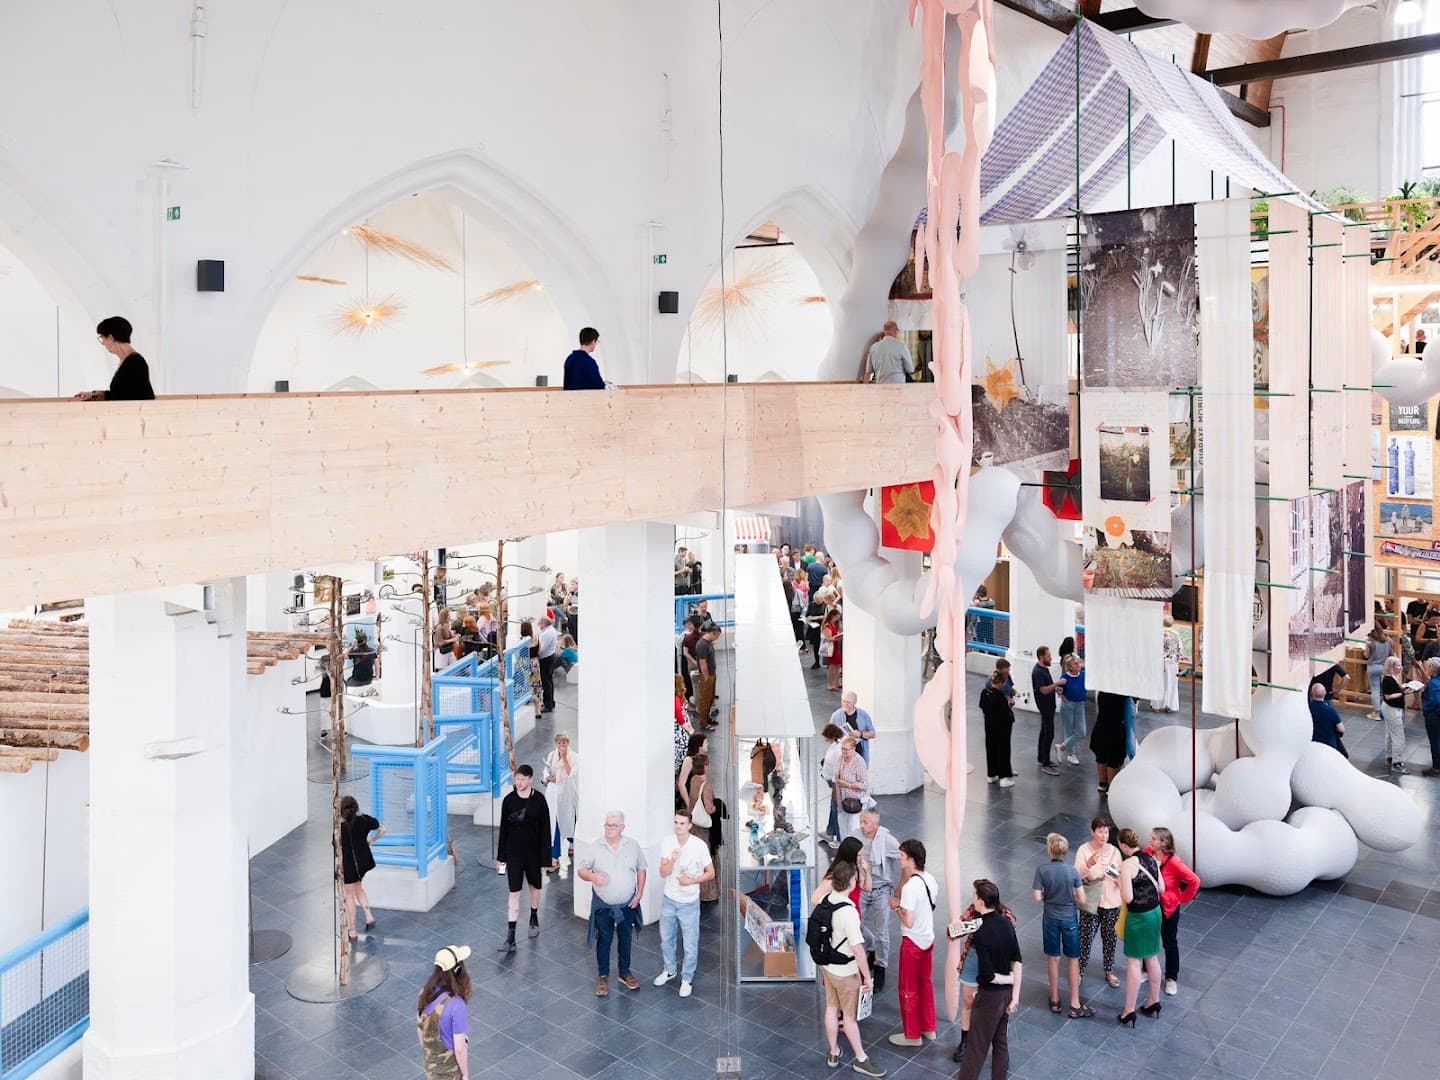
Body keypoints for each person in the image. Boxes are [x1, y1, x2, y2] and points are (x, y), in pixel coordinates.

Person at [815, 859, 886, 1076]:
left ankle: (834, 1052)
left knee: (831, 1007)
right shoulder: (849, 912)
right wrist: (867, 977)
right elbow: (858, 949)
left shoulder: (826, 899)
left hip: (827, 966)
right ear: (851, 882)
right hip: (846, 972)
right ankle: (861, 1059)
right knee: (849, 1017)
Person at [956, 879, 1023, 1080]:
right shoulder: (1007, 923)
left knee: (976, 1048)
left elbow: (988, 976)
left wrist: (1008, 979)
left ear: (981, 901)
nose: (972, 898)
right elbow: (1017, 960)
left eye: (974, 895)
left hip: (989, 998)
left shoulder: (981, 933)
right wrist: (1015, 996)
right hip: (1006, 997)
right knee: (1000, 1044)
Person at [577, 810, 647, 996]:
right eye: (607, 825)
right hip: (603, 905)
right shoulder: (595, 846)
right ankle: (603, 976)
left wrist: (639, 893)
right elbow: (581, 870)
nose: (609, 829)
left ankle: (624, 972)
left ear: (622, 827)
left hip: (628, 904)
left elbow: (641, 869)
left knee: (625, 938)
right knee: (604, 939)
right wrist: (593, 877)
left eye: (613, 826)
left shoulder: (633, 845)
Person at [654, 808, 714, 998]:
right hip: (669, 899)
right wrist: (672, 859)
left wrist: (691, 881)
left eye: (682, 823)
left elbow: (711, 873)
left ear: (689, 825)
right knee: (666, 939)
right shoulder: (667, 842)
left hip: (689, 903)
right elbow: (663, 873)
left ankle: (687, 978)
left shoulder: (699, 846)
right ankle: (669, 970)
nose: (678, 827)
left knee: (690, 944)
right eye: (676, 822)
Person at [1031, 833, 1091, 1018]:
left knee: (1053, 957)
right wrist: (1070, 897)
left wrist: (1048, 895)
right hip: (1069, 918)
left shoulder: (1042, 870)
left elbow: (1036, 897)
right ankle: (1074, 1003)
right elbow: (1083, 899)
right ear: (1065, 851)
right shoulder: (1072, 871)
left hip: (1050, 917)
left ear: (1049, 850)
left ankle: (1055, 999)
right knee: (1073, 958)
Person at [886, 839, 938, 1046]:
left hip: (912, 942)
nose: (899, 859)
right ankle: (929, 1027)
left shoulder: (910, 888)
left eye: (902, 856)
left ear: (911, 859)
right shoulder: (930, 880)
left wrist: (896, 907)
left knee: (908, 988)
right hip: (928, 939)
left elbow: (908, 921)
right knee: (925, 984)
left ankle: (912, 1035)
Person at [495, 765, 551, 952]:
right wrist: (501, 857)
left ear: (530, 779)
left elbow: (545, 830)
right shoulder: (509, 801)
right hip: (514, 854)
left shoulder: (539, 800)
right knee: (514, 892)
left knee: (534, 887)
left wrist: (545, 860)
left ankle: (533, 915)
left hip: (534, 854)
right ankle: (510, 937)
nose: (519, 782)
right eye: (517, 779)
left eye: (522, 779)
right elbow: (503, 830)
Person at [1115, 827, 1165, 1026]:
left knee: (1134, 962)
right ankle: (1154, 1000)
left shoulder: (1128, 865)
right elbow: (1162, 888)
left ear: (1123, 845)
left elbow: (1128, 897)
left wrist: (1119, 881)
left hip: (1138, 917)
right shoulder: (1151, 858)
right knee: (1152, 957)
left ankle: (1128, 1011)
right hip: (1156, 913)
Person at [1146, 826, 1200, 997]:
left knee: (1169, 942)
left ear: (1163, 843)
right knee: (1148, 938)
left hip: (1168, 908)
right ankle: (1146, 970)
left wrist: (1182, 899)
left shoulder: (1174, 862)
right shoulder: (1147, 853)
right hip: (1150, 905)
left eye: (1154, 838)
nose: (1150, 841)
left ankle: (1171, 977)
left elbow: (1194, 881)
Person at [1074, 816, 1122, 989]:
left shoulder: (1114, 852)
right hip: (1092, 903)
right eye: (1100, 832)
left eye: (1106, 832)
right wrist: (1089, 864)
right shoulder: (1084, 850)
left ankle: (1109, 970)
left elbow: (1121, 877)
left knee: (1110, 938)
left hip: (1112, 903)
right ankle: (1078, 971)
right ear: (1092, 832)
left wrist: (1115, 875)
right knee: (1085, 938)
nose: (1103, 835)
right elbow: (1077, 875)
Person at [857, 809, 901, 994]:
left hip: (881, 890)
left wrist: (899, 888)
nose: (861, 825)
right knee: (855, 925)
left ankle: (880, 966)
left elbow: (904, 859)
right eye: (861, 821)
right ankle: (871, 948)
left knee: (881, 931)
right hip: (861, 887)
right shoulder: (855, 836)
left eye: (865, 822)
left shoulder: (887, 841)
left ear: (875, 825)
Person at [417, 945, 472, 1080]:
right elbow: (459, 1049)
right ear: (458, 970)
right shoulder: (456, 1005)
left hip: (431, 1067)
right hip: (450, 1072)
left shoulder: (425, 993)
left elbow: (420, 1030)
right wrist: (465, 1075)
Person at [76, 316, 155, 401]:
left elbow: (127, 397)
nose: (103, 343)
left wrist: (95, 395)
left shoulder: (135, 363)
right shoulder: (129, 361)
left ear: (110, 338)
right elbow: (120, 394)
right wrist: (93, 394)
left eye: (102, 338)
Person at [338, 795, 384, 939]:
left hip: (349, 865)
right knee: (359, 888)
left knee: (349, 895)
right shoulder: (364, 820)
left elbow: (336, 847)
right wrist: (371, 840)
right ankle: (368, 914)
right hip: (363, 862)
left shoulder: (340, 829)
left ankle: (352, 930)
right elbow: (382, 829)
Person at [683, 753, 722, 903]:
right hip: (704, 828)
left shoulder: (693, 780)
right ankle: (708, 893)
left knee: (696, 859)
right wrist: (718, 806)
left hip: (694, 826)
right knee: (706, 858)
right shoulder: (706, 785)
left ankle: (695, 891)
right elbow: (709, 808)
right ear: (705, 766)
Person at [542, 733, 579, 868]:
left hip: (567, 795)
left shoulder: (574, 757)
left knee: (569, 820)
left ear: (568, 743)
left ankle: (573, 842)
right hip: (552, 794)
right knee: (554, 823)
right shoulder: (552, 755)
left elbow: (571, 773)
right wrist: (548, 778)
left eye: (564, 743)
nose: (561, 746)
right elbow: (546, 771)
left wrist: (564, 758)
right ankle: (554, 857)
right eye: (558, 743)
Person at [979, 671, 1016, 787]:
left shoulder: (985, 693)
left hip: (989, 727)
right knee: (1003, 751)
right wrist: (1010, 706)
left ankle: (991, 775)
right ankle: (1004, 777)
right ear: (1000, 683)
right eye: (1003, 683)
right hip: (1002, 729)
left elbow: (983, 710)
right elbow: (1005, 713)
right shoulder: (1000, 696)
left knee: (991, 749)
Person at [1090, 691, 1129, 795]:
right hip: (1115, 730)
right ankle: (1111, 788)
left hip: (1100, 727)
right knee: (1113, 759)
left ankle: (1102, 784)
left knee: (1101, 756)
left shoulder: (1102, 692)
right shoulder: (1122, 695)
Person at [833, 737, 870, 839]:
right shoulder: (841, 758)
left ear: (853, 748)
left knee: (853, 829)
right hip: (842, 799)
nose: (843, 751)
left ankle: (854, 848)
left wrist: (847, 785)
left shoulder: (859, 762)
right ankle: (844, 846)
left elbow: (864, 784)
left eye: (846, 749)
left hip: (854, 802)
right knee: (842, 827)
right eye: (842, 748)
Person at [1032, 646, 1061, 775]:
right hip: (1045, 706)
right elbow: (1043, 690)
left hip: (1049, 705)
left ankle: (1042, 758)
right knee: (1049, 733)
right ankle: (1046, 763)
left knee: (1044, 731)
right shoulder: (1038, 672)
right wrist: (1057, 684)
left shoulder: (1044, 669)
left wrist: (1055, 688)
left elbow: (1047, 686)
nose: (1051, 658)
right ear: (1041, 657)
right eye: (1048, 656)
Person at [863, 319, 915, 385]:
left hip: (880, 386)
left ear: (884, 331)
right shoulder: (902, 346)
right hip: (898, 386)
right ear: (896, 331)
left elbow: (868, 371)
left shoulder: (873, 347)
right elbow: (910, 369)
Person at [832, 691, 877, 765]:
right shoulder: (836, 715)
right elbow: (830, 736)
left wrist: (860, 734)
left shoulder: (863, 715)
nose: (845, 704)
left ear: (854, 703)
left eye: (848, 702)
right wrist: (839, 738)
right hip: (842, 755)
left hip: (859, 754)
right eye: (843, 701)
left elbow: (873, 734)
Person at [1057, 654, 1087, 766]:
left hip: (1080, 704)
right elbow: (1058, 690)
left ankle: (1062, 747)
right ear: (1070, 667)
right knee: (1068, 730)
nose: (1078, 664)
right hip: (1068, 705)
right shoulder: (1065, 677)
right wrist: (1064, 699)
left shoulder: (1083, 674)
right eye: (1075, 663)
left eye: (1078, 662)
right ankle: (1071, 754)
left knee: (1082, 732)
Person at [820, 722, 846, 844]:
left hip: (836, 783)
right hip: (832, 780)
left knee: (835, 808)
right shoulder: (835, 745)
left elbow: (837, 772)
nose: (825, 740)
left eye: (827, 737)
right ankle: (830, 832)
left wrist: (835, 791)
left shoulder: (838, 751)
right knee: (833, 808)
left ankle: (839, 838)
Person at [1151, 616, 1182, 712]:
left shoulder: (1158, 633)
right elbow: (1180, 649)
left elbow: (1153, 647)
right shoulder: (1176, 635)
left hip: (1159, 661)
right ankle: (1170, 705)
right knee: (1171, 683)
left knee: (1158, 683)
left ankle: (1156, 706)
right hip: (1172, 662)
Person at [1308, 682, 1348, 757]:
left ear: (1311, 694)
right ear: (1325, 693)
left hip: (1311, 743)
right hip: (1328, 745)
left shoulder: (1307, 709)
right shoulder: (1330, 710)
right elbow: (1341, 729)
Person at [694, 624, 721, 725]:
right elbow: (702, 663)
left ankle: (707, 718)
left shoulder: (708, 642)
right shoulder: (702, 645)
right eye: (717, 636)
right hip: (707, 676)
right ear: (712, 633)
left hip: (711, 674)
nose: (717, 638)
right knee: (705, 699)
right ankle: (703, 722)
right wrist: (706, 677)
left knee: (710, 698)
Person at [1366, 623, 1393, 719]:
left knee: (1375, 690)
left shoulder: (1370, 641)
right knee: (1385, 690)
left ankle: (1376, 713)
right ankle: (1386, 711)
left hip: (1373, 667)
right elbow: (1391, 653)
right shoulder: (1388, 640)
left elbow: (1366, 655)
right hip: (1385, 667)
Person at [676, 732, 707, 810]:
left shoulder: (702, 759)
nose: (708, 744)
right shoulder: (689, 760)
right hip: (688, 798)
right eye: (705, 743)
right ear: (699, 746)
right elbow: (681, 784)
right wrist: (688, 804)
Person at [1422, 656, 1440, 778]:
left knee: (1435, 742)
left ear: (1432, 670)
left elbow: (1436, 701)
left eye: (1427, 667)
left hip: (1434, 716)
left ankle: (1437, 768)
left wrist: (1426, 709)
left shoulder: (1433, 683)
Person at [536, 616, 558, 714]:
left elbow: (541, 649)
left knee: (546, 682)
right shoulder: (552, 630)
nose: (538, 625)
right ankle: (550, 702)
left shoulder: (546, 634)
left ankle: (548, 705)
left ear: (544, 623)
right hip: (550, 657)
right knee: (549, 681)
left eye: (539, 623)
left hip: (546, 659)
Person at [519, 619, 544, 703]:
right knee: (536, 681)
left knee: (525, 680)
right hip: (534, 662)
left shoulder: (522, 640)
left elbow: (519, 653)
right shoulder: (537, 637)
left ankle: (525, 698)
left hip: (524, 661)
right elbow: (540, 651)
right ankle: (537, 698)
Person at [822, 609, 844, 692]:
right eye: (836, 617)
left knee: (838, 665)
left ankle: (837, 682)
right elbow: (828, 638)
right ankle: (830, 684)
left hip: (836, 647)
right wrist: (838, 637)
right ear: (832, 616)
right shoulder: (827, 625)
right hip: (831, 648)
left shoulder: (834, 624)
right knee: (831, 667)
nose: (837, 619)